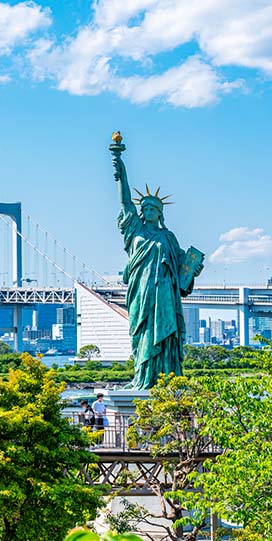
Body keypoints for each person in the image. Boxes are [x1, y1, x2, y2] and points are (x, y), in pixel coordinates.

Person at [110, 137, 204, 389]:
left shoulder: (168, 237)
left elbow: (182, 271)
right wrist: (119, 164)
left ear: (160, 213)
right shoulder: (135, 231)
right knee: (142, 335)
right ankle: (143, 377)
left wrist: (193, 269)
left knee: (166, 335)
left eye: (153, 208)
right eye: (146, 208)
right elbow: (125, 201)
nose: (148, 210)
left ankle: (168, 379)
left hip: (165, 294)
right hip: (141, 293)